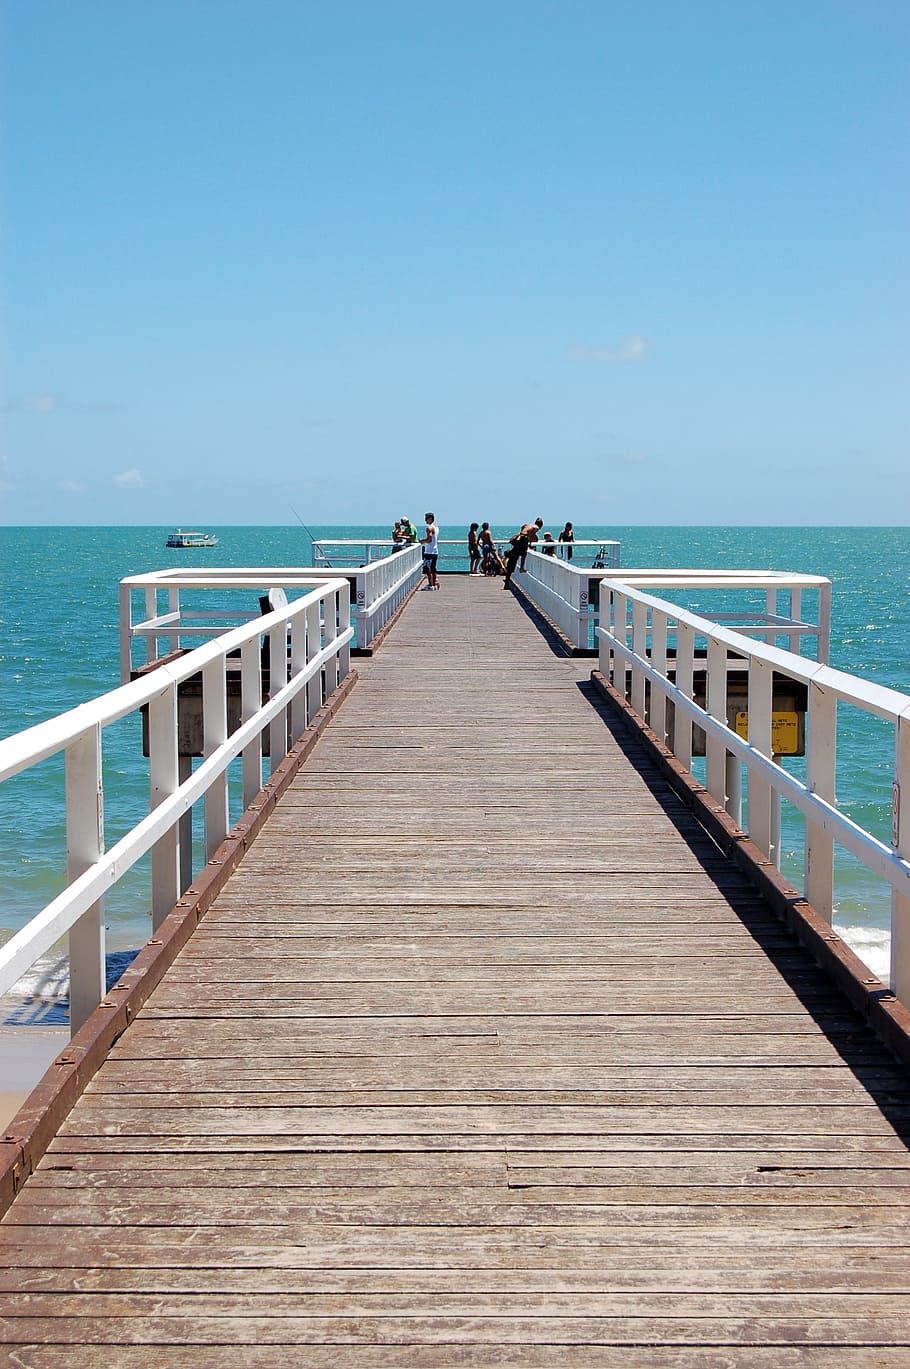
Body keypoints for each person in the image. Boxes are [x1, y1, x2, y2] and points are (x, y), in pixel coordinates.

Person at [503, 517, 543, 588]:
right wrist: (529, 543)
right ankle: (521, 567)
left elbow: (525, 532)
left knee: (513, 560)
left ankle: (507, 582)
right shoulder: (536, 527)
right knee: (524, 554)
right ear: (540, 525)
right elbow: (531, 535)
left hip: (519, 538)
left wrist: (529, 542)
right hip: (523, 539)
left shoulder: (529, 525)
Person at [420, 512, 440, 590]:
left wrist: (422, 541)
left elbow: (429, 539)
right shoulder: (436, 527)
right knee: (433, 568)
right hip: (435, 551)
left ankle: (430, 585)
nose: (425, 520)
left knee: (428, 569)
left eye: (426, 518)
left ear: (430, 518)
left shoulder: (429, 528)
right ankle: (434, 584)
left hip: (429, 552)